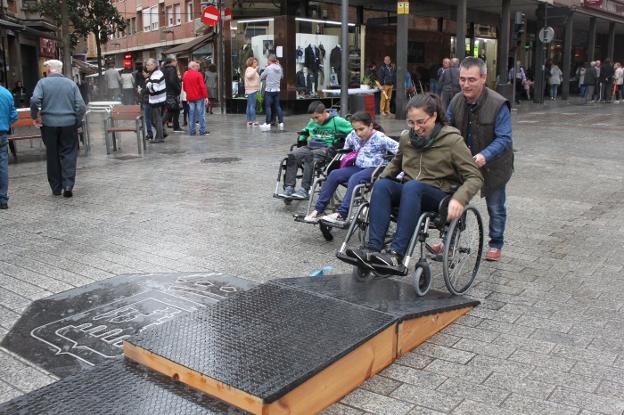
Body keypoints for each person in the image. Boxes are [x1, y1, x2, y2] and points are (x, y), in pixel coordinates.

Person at [346, 93, 483, 268]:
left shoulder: (452, 140)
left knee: (412, 187)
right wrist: (379, 180)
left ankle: (396, 254)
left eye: (421, 122)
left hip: (437, 195)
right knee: (383, 186)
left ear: (434, 116)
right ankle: (372, 249)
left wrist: (459, 199)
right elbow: (396, 163)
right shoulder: (406, 138)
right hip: (410, 192)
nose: (416, 127)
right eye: (411, 122)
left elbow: (474, 176)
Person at [446, 57, 513, 262]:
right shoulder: (456, 100)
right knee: (454, 200)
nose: (466, 84)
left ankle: (495, 244)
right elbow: (447, 127)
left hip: (493, 165)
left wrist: (484, 155)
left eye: (472, 79)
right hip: (463, 163)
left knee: (495, 205)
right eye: (463, 79)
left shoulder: (498, 104)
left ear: (483, 78)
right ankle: (450, 239)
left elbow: (504, 138)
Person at [303, 111, 398, 225]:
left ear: (371, 126)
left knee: (355, 178)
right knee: (334, 174)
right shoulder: (353, 135)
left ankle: (342, 214)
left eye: (361, 129)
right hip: (358, 166)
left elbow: (400, 151)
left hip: (375, 168)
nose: (358, 133)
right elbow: (347, 147)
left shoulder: (380, 137)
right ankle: (318, 210)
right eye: (355, 129)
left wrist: (395, 170)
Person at [30, 59, 86, 197]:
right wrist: (76, 121)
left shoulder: (42, 83)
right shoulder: (71, 84)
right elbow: (81, 106)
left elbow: (34, 100)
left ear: (48, 70)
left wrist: (35, 116)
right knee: (69, 154)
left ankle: (56, 188)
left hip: (49, 125)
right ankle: (68, 185)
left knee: (52, 155)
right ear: (60, 70)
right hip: (68, 124)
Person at [278, 101, 352, 200]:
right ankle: (289, 187)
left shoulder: (337, 121)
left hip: (327, 149)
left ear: (325, 112)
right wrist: (301, 140)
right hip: (311, 146)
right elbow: (306, 131)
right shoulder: (312, 121)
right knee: (292, 155)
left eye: (317, 117)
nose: (315, 121)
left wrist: (343, 142)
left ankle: (304, 189)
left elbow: (353, 130)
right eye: (313, 118)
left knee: (310, 157)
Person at [0, 84, 18, 209]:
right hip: (2, 134)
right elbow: (14, 116)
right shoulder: (6, 93)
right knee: (2, 166)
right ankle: (3, 199)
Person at [182, 61, 209, 136]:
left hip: (190, 97)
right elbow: (202, 86)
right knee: (201, 114)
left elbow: (184, 88)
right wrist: (206, 96)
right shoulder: (198, 74)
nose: (198, 67)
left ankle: (192, 131)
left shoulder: (186, 75)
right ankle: (202, 130)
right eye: (196, 66)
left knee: (191, 114)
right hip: (199, 96)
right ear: (193, 67)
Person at [144, 58, 167, 143]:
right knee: (155, 120)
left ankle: (159, 137)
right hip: (158, 100)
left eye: (148, 65)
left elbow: (154, 89)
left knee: (156, 120)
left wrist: (147, 83)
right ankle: (162, 133)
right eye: (146, 65)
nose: (146, 66)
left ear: (154, 65)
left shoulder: (156, 74)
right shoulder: (155, 73)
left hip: (157, 100)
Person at [259, 55, 284, 131]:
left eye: (268, 60)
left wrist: (266, 69)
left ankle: (267, 123)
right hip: (277, 90)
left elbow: (261, 77)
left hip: (269, 90)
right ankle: (281, 122)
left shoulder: (268, 68)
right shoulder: (279, 68)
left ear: (270, 60)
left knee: (268, 107)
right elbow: (282, 77)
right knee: (277, 106)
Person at [162, 56, 182, 132]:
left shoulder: (164, 69)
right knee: (171, 110)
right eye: (176, 60)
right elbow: (172, 81)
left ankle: (176, 127)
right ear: (172, 61)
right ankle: (160, 124)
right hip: (171, 92)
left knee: (176, 110)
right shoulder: (171, 69)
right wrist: (178, 88)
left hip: (166, 92)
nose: (176, 62)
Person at [244, 57, 260, 126]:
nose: (256, 63)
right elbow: (249, 76)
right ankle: (253, 121)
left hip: (251, 89)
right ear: (251, 63)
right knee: (252, 106)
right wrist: (255, 70)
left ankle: (249, 120)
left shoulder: (251, 69)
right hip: (252, 90)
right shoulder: (249, 69)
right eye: (255, 62)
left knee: (249, 105)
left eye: (256, 62)